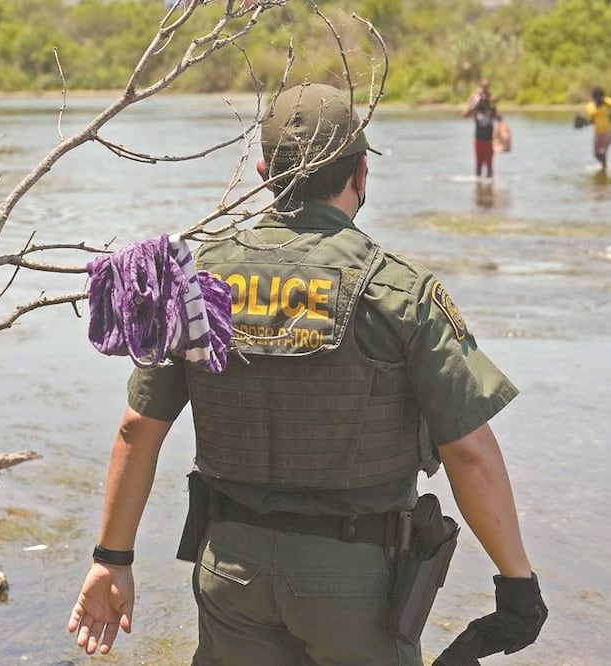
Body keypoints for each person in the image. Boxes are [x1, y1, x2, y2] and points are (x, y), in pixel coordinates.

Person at [67, 83, 546, 665]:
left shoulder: (195, 282)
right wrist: (515, 581)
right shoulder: (399, 292)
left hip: (230, 568)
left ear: (266, 173)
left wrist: (111, 559)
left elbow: (136, 429)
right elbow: (469, 452)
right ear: (361, 174)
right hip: (356, 583)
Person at [463, 79, 501, 178]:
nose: (484, 94)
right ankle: (479, 188)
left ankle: (489, 188)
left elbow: (499, 118)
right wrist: (474, 104)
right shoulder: (476, 107)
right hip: (479, 139)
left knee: (489, 165)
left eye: (486, 90)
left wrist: (492, 106)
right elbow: (464, 115)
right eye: (482, 90)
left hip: (489, 139)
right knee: (478, 165)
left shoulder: (491, 107)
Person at [582, 86, 611, 170]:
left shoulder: (608, 103)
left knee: (602, 151)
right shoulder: (591, 107)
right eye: (597, 97)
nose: (599, 99)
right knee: (596, 153)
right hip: (597, 133)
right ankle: (604, 166)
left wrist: (607, 105)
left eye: (601, 97)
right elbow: (590, 121)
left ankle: (604, 167)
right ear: (594, 98)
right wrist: (583, 122)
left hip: (608, 132)